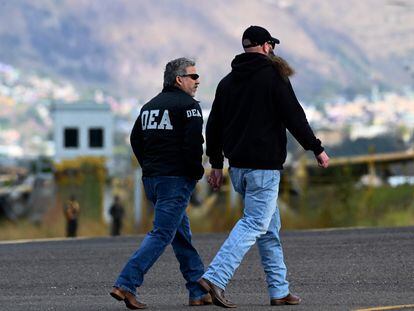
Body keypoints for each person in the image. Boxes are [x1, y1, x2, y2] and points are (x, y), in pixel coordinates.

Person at [198, 25, 330, 308]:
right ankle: (215, 277)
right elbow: (294, 116)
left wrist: (217, 165)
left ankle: (279, 291)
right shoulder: (274, 76)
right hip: (264, 168)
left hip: (239, 170)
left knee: (269, 228)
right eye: (271, 45)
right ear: (265, 46)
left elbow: (214, 127)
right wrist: (316, 148)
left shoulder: (227, 82)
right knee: (255, 223)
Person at [110, 57, 211, 309]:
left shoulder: (149, 107)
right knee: (162, 233)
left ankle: (197, 290)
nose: (197, 81)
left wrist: (150, 166)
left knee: (180, 234)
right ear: (179, 79)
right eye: (193, 76)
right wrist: (195, 173)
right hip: (175, 181)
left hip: (152, 181)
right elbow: (193, 145)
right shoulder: (189, 106)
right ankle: (126, 284)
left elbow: (135, 139)